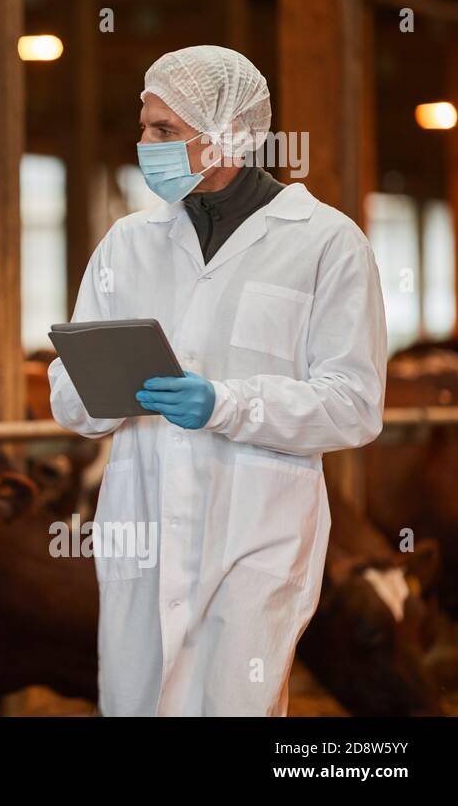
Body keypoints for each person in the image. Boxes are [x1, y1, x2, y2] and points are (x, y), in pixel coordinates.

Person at [49, 45, 387, 716]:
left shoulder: (324, 242)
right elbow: (67, 388)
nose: (145, 144)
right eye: (146, 126)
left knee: (236, 703)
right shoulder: (128, 242)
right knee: (136, 701)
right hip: (143, 529)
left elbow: (354, 404)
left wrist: (227, 404)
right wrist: (97, 388)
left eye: (164, 131)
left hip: (256, 530)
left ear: (232, 132)